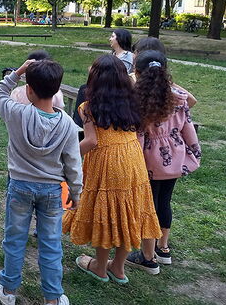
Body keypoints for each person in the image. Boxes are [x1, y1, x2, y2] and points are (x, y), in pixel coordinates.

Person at [63, 55, 161, 284]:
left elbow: (91, 142)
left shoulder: (88, 107)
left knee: (106, 213)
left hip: (106, 162)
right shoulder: (134, 102)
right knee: (129, 212)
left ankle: (99, 266)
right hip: (133, 159)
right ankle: (118, 268)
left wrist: (66, 156)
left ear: (95, 80)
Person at [0, 59, 83, 305]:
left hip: (19, 187)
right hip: (53, 192)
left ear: (28, 90)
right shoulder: (68, 125)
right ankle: (52, 298)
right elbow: (73, 163)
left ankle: (8, 291)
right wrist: (76, 192)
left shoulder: (17, 113)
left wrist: (17, 72)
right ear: (57, 89)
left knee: (14, 239)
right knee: (51, 244)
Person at [125, 50, 201, 273]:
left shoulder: (136, 100)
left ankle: (148, 258)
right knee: (164, 200)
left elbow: (137, 135)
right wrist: (193, 153)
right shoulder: (178, 96)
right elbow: (187, 126)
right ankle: (163, 249)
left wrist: (133, 163)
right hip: (175, 158)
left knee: (149, 206)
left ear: (137, 72)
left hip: (148, 160)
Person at [131, 37, 197, 107]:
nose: (132, 55)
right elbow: (191, 100)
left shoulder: (131, 79)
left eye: (135, 52)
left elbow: (191, 100)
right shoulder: (165, 85)